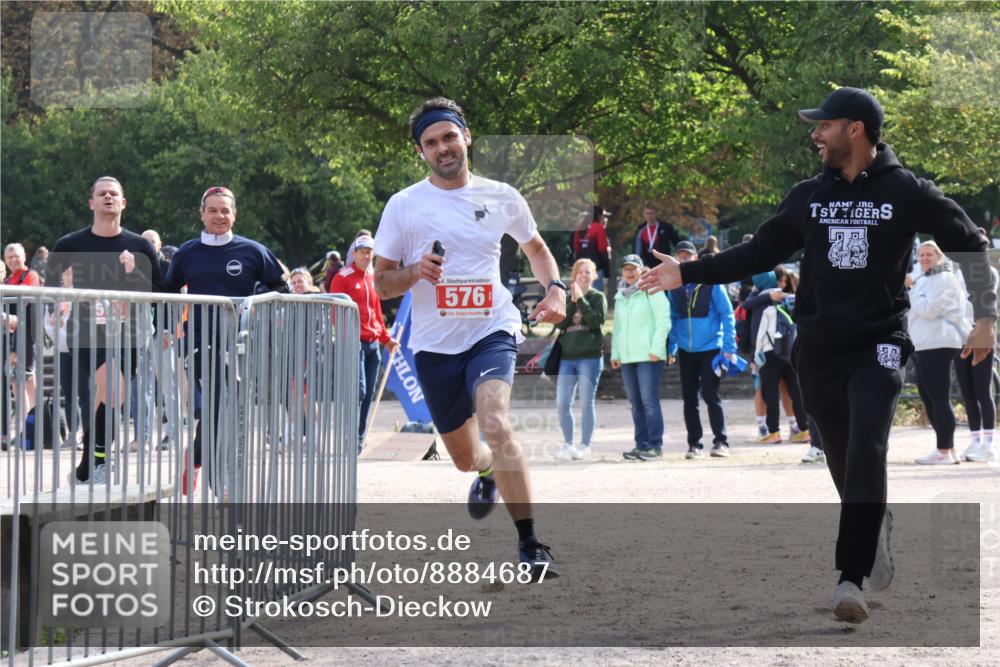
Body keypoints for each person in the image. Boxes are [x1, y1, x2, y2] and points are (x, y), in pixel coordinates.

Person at [636, 87, 996, 623]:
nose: (815, 134)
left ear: (855, 129)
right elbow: (759, 251)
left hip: (880, 340)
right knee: (842, 454)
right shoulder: (809, 195)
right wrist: (686, 271)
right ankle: (873, 528)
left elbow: (970, 241)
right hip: (819, 347)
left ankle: (850, 577)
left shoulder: (909, 191)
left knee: (868, 444)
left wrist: (987, 316)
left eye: (823, 126)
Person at [373, 97, 566, 578]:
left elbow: (537, 248)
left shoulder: (502, 196)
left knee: (496, 422)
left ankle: (530, 543)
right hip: (436, 346)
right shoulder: (404, 205)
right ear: (421, 151)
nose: (442, 148)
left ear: (466, 136)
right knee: (464, 458)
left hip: (491, 329)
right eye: (431, 142)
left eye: (449, 137)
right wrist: (415, 271)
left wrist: (556, 288)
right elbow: (379, 282)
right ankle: (484, 470)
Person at [163, 186, 287, 494]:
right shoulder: (187, 253)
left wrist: (261, 302)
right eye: (213, 210)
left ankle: (197, 457)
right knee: (220, 400)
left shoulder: (253, 251)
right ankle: (220, 481)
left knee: (229, 407)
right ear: (202, 214)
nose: (220, 216)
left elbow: (280, 288)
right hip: (201, 341)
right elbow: (166, 289)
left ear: (235, 214)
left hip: (242, 342)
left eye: (225, 211)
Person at [48, 176, 163, 483]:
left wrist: (134, 271)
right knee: (112, 387)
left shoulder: (140, 246)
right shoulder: (69, 244)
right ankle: (101, 464)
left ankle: (88, 465)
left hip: (130, 334)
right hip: (86, 333)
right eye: (102, 194)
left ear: (123, 203)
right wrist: (64, 290)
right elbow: (48, 289)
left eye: (114, 193)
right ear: (92, 203)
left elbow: (162, 292)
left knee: (109, 395)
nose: (108, 197)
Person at [666, 241, 737, 459]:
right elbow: (673, 318)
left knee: (710, 394)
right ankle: (694, 444)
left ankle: (721, 441)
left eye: (688, 256)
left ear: (695, 258)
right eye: (680, 256)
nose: (684, 259)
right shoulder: (674, 287)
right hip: (687, 350)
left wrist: (728, 347)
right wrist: (672, 348)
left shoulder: (712, 283)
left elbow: (727, 314)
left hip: (711, 348)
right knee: (689, 398)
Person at [329, 234, 399, 449]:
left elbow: (376, 312)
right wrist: (346, 338)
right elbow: (335, 311)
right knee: (358, 390)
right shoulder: (343, 277)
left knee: (368, 391)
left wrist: (386, 339)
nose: (367, 256)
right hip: (353, 342)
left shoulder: (372, 276)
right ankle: (349, 435)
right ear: (355, 253)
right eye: (363, 251)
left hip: (372, 343)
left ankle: (359, 436)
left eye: (370, 252)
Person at [907, 241, 969, 465]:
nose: (924, 258)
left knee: (939, 397)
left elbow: (929, 310)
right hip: (926, 343)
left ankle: (944, 450)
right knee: (929, 396)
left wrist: (911, 289)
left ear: (939, 256)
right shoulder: (925, 278)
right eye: (921, 255)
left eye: (929, 255)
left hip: (938, 342)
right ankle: (947, 448)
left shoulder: (945, 278)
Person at [611, 254, 670, 461]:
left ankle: (655, 445)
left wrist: (656, 348)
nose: (629, 272)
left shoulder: (651, 290)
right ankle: (641, 444)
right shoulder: (620, 296)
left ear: (640, 270)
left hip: (648, 356)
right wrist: (615, 353)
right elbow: (617, 328)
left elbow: (664, 320)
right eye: (626, 268)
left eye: (632, 268)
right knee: (635, 403)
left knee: (649, 402)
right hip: (627, 357)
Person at [552, 258, 607, 462]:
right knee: (562, 403)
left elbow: (595, 321)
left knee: (586, 402)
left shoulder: (597, 296)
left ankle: (586, 445)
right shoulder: (568, 298)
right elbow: (561, 324)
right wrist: (571, 301)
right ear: (574, 276)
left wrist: (581, 301)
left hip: (589, 358)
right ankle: (568, 444)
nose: (583, 275)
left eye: (587, 272)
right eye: (579, 272)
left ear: (593, 276)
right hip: (568, 358)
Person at [955, 228, 999, 463]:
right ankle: (974, 440)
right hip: (960, 335)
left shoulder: (988, 271)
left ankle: (988, 444)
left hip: (980, 333)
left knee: (983, 390)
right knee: (968, 392)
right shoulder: (958, 273)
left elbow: (982, 300)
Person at [3, 243, 42, 417]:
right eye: (9, 257)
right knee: (23, 382)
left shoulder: (31, 275)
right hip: (11, 335)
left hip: (25, 336)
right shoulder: (7, 280)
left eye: (16, 256)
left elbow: (24, 303)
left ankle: (27, 427)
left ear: (24, 256)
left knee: (20, 382)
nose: (13, 260)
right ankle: (31, 426)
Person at [572, 205, 612, 292]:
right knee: (596, 296)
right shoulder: (598, 227)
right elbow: (603, 250)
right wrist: (607, 270)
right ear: (599, 216)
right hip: (596, 268)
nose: (604, 218)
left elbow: (576, 248)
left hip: (581, 269)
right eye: (603, 216)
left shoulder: (580, 227)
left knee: (583, 294)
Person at [633, 202, 682, 268]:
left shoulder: (666, 227)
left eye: (652, 213)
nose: (650, 216)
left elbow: (678, 243)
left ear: (656, 213)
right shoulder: (640, 229)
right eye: (647, 213)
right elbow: (635, 248)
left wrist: (680, 256)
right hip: (646, 265)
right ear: (644, 214)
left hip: (663, 263)